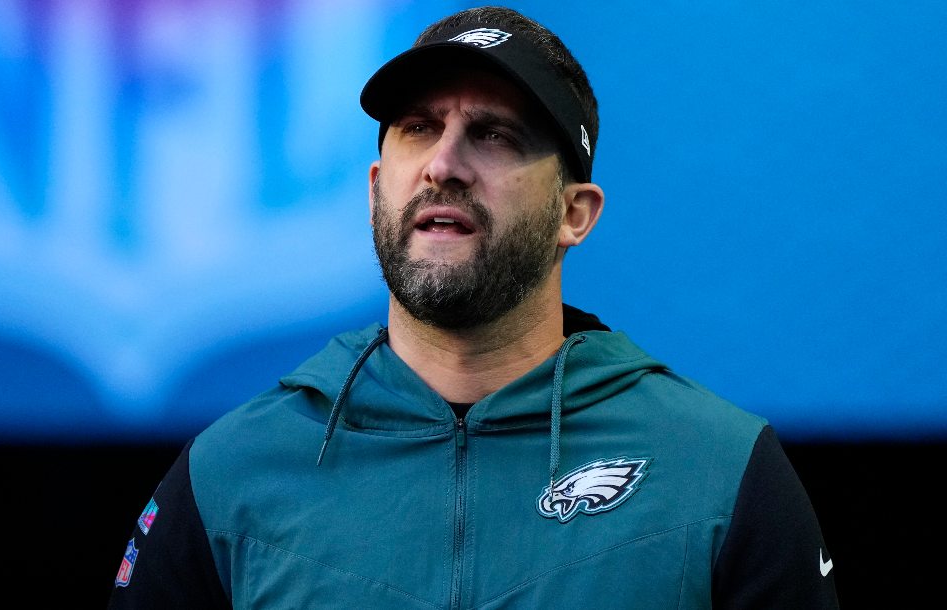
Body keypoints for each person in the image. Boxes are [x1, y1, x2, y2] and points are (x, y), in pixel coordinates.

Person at [108, 6, 839, 608]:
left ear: (574, 213)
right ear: (374, 188)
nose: (443, 164)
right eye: (419, 128)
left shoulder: (716, 469)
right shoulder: (232, 472)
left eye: (492, 135)